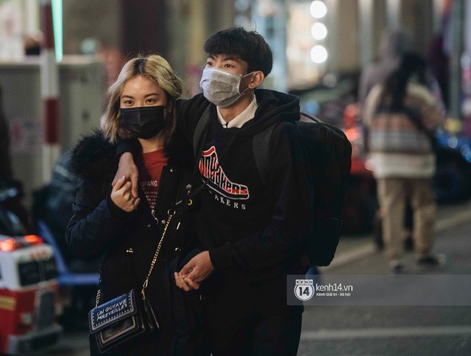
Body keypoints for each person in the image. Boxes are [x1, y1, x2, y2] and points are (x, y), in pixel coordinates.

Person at [116, 27, 313, 356]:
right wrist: (125, 158)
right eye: (211, 62)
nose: (214, 73)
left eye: (228, 65)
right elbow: (139, 122)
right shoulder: (199, 115)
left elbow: (289, 230)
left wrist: (216, 258)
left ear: (253, 79)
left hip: (273, 295)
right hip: (218, 292)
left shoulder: (279, 138)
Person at [64, 54, 205, 356]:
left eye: (150, 99)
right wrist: (112, 210)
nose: (139, 109)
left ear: (169, 103)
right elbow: (78, 243)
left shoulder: (195, 160)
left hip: (183, 317)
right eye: (128, 102)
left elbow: (211, 228)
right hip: (123, 324)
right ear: (118, 106)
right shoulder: (101, 165)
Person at [362, 52, 444, 273]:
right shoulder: (420, 95)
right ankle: (423, 252)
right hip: (417, 161)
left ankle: (395, 258)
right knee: (423, 207)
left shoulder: (378, 93)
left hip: (386, 163)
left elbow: (367, 121)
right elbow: (435, 123)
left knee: (391, 209)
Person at [358, 28, 414, 106]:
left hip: (378, 116)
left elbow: (364, 103)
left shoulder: (371, 72)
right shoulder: (416, 71)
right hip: (409, 116)